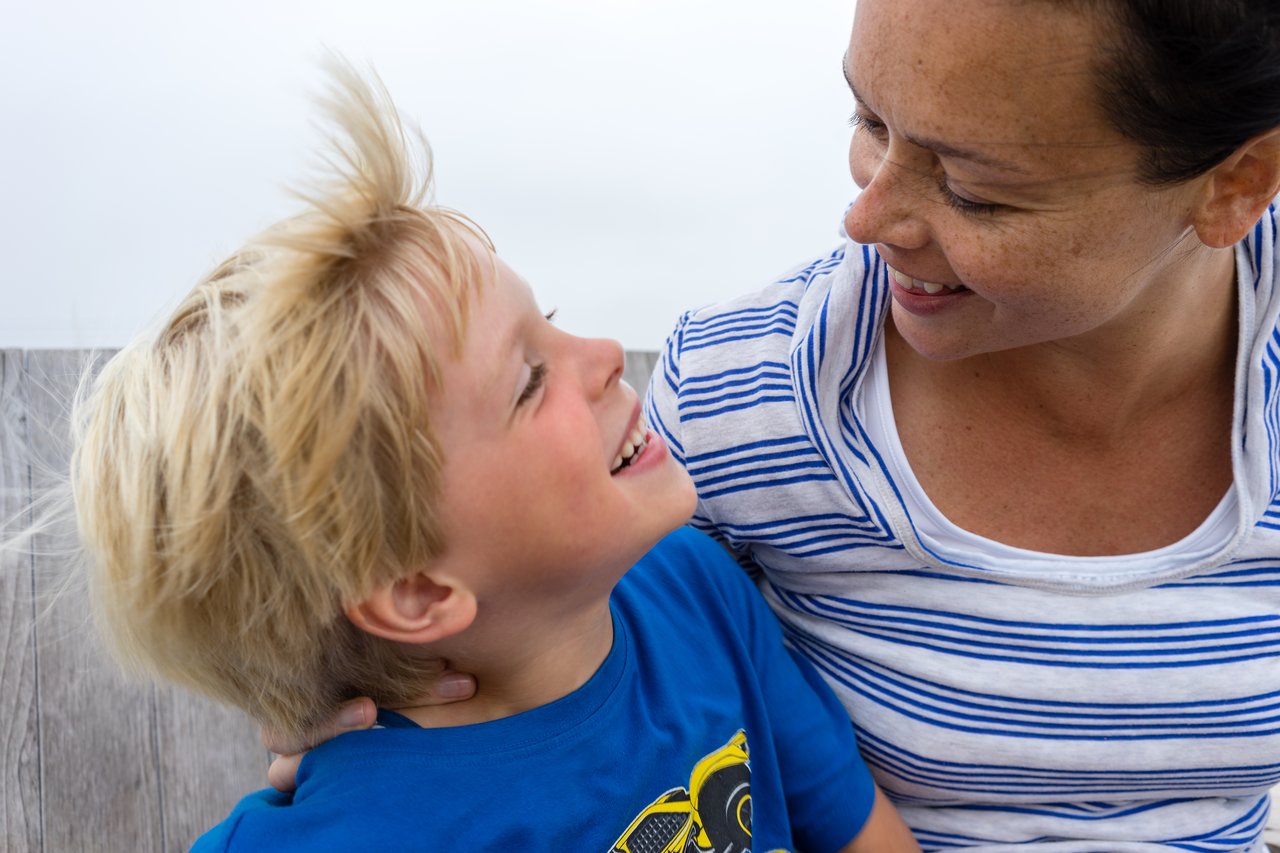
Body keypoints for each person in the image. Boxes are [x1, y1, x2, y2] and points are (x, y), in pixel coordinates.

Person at [276, 0, 1280, 849]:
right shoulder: (732, 403)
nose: (863, 216)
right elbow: (540, 617)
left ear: (1235, 184)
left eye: (975, 189)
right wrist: (356, 727)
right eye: (870, 120)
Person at [68, 58, 919, 852]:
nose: (602, 353)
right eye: (526, 382)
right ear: (416, 590)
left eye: (550, 314)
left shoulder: (695, 588)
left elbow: (856, 826)